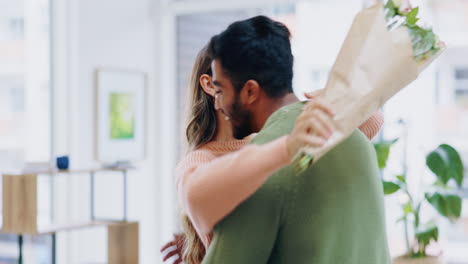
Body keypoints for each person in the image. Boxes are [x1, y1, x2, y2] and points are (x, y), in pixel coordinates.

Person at [161, 40, 384, 264]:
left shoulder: (281, 134)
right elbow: (197, 194)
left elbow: (372, 120)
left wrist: (331, 100)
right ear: (211, 85)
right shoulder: (201, 160)